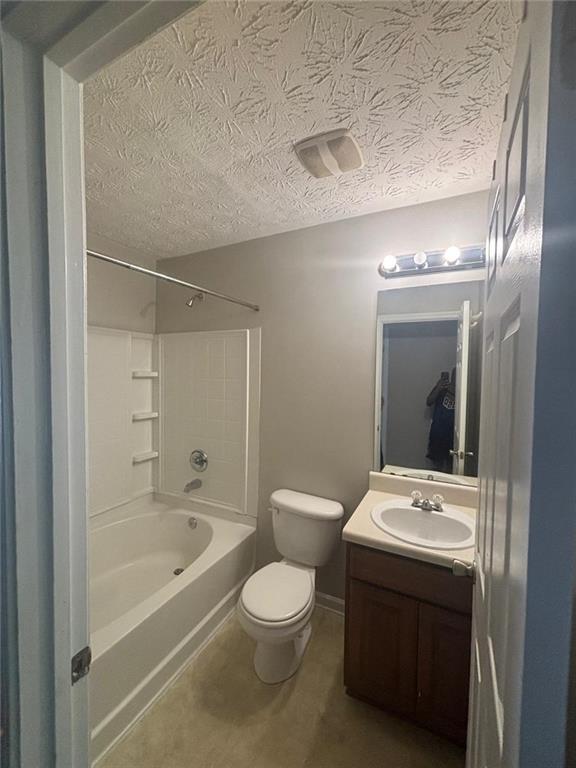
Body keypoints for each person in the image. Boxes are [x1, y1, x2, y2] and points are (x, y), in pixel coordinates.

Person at [426, 368, 455, 472]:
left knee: (451, 469)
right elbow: (429, 401)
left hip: (453, 438)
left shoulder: (463, 394)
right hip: (437, 434)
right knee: (436, 468)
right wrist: (438, 387)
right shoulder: (442, 388)